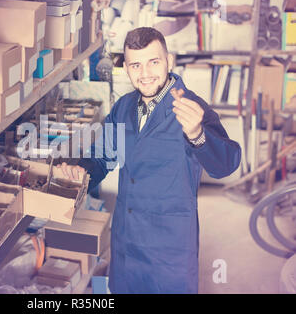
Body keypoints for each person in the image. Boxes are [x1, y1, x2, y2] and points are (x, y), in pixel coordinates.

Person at [58, 27, 241, 294]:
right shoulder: (123, 107)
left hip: (169, 247)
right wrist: (81, 171)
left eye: (153, 62)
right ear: (127, 68)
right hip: (127, 241)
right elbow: (102, 156)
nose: (144, 74)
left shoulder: (190, 107)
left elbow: (227, 163)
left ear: (168, 60)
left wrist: (198, 135)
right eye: (136, 65)